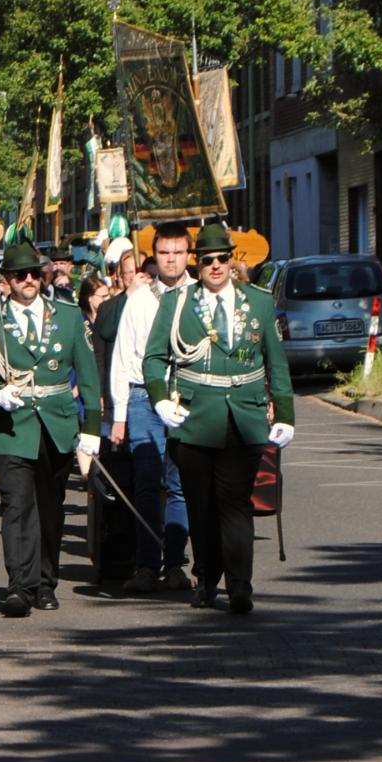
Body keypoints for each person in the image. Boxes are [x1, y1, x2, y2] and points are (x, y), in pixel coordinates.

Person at [143, 220, 293, 618]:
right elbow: (155, 357)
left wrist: (286, 413)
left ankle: (240, 586)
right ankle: (207, 577)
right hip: (194, 417)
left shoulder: (258, 301)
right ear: (197, 264)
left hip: (244, 415)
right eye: (207, 260)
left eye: (222, 258)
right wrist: (159, 399)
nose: (215, 266)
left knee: (236, 504)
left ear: (232, 260)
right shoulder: (177, 304)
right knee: (201, 506)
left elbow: (276, 363)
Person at [0, 238, 100, 618]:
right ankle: (18, 587)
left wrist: (91, 428)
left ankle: (45, 582)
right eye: (19, 274)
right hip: (13, 425)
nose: (28, 280)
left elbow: (88, 376)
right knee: (16, 506)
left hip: (56, 423)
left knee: (50, 509)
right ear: (6, 279)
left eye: (34, 274)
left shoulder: (69, 316)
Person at [105, 219, 195, 595]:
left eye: (177, 253)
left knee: (180, 483)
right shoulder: (140, 298)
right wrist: (120, 415)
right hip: (143, 396)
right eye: (163, 253)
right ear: (152, 256)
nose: (171, 260)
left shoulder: (201, 295)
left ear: (188, 255)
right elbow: (124, 356)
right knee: (146, 480)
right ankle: (145, 565)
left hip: (188, 395)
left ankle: (175, 564)